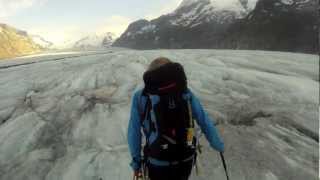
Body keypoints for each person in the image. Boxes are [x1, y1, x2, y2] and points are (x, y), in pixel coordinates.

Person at [128, 57, 225, 180]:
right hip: (186, 159)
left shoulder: (141, 96)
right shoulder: (185, 92)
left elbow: (134, 131)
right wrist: (218, 145)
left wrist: (136, 162)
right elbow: (204, 120)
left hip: (158, 161)